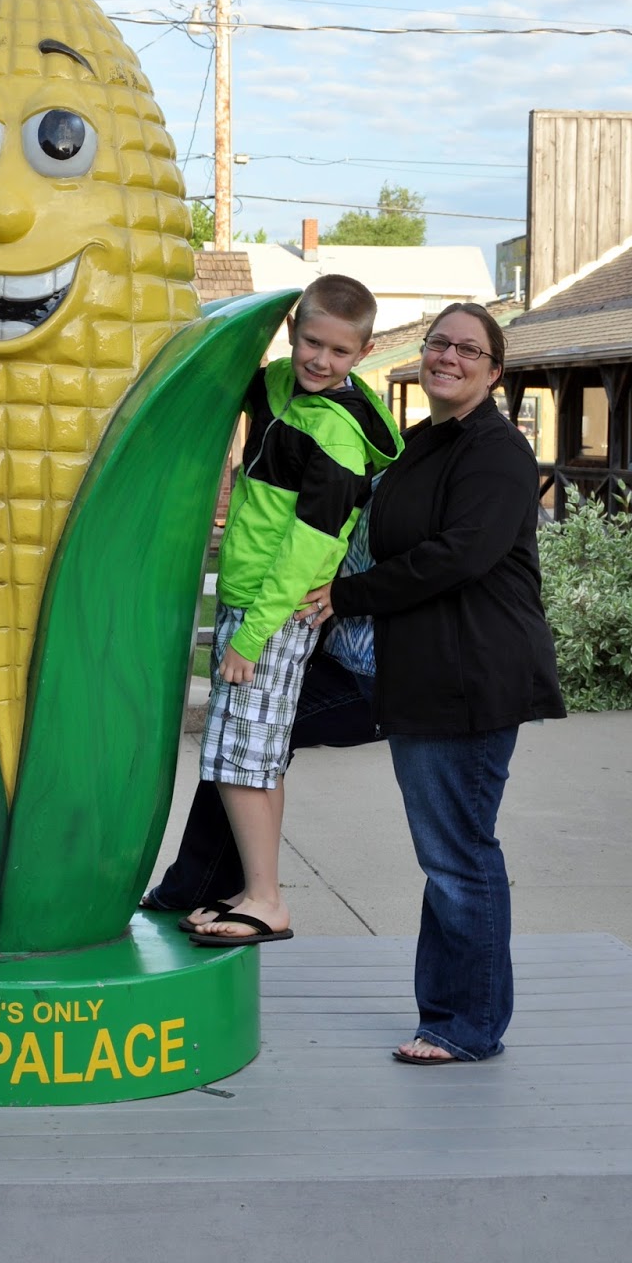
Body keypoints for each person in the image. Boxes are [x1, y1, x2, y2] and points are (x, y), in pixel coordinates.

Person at [304, 302, 565, 1063]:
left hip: (471, 677)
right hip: (421, 674)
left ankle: (467, 1024)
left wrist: (347, 597)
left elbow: (458, 555)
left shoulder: (495, 452)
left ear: (494, 370)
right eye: (439, 343)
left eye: (468, 348)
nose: (448, 356)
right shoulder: (426, 442)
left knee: (459, 855)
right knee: (447, 854)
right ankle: (445, 1013)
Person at [189, 274, 402, 946]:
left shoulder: (337, 439)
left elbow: (305, 552)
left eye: (339, 352)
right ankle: (250, 888)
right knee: (249, 752)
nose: (320, 360)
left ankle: (267, 899)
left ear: (362, 354)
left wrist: (251, 637)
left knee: (241, 759)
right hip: (249, 599)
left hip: (271, 613)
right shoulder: (279, 383)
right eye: (312, 342)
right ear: (292, 333)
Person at [140, 494, 380, 922]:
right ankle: (238, 889)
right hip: (339, 652)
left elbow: (451, 560)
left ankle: (253, 896)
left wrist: (346, 594)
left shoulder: (348, 444)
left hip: (377, 673)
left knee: (241, 742)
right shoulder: (399, 455)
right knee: (243, 741)